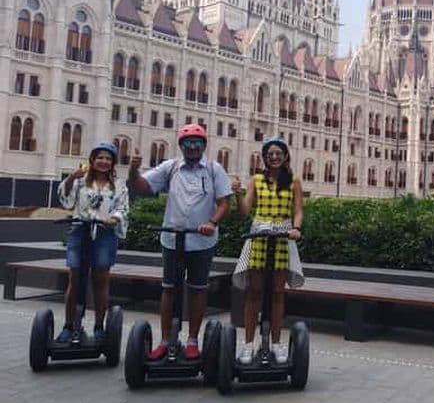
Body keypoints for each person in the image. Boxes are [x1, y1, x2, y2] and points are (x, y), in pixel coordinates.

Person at [127, 124, 232, 360]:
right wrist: (133, 170)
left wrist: (212, 223)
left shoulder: (214, 169)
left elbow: (225, 203)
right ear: (181, 146)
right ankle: (165, 340)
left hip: (201, 241)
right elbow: (142, 186)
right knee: (169, 289)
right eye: (188, 143)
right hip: (172, 239)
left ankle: (193, 339)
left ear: (204, 146)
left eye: (197, 143)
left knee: (197, 289)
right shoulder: (171, 167)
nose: (192, 147)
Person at [231, 136, 303, 364]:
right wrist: (237, 194)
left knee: (278, 294)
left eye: (278, 154)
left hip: (282, 235)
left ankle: (276, 343)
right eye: (270, 154)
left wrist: (296, 228)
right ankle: (249, 344)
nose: (274, 157)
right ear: (264, 157)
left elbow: (298, 210)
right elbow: (244, 212)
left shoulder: (294, 181)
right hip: (260, 234)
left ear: (285, 157)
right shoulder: (256, 180)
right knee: (254, 292)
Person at [56, 141, 129, 343]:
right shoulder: (80, 182)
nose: (103, 162)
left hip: (104, 234)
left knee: (100, 280)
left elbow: (123, 209)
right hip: (80, 231)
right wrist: (72, 176)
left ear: (113, 163)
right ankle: (69, 326)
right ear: (92, 160)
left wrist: (114, 218)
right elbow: (65, 199)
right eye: (100, 158)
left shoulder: (119, 186)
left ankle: (99, 326)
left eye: (108, 158)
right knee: (75, 278)